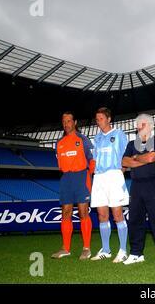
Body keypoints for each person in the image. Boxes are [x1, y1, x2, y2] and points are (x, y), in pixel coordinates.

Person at [121, 114, 155, 266]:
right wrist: (141, 158)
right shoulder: (131, 144)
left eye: (142, 124)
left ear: (150, 126)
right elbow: (124, 161)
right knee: (135, 220)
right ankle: (136, 253)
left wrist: (135, 159)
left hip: (153, 184)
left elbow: (151, 158)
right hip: (136, 184)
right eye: (137, 125)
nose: (138, 127)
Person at [52, 111, 94, 260]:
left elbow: (92, 159)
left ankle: (86, 248)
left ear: (75, 122)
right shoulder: (59, 143)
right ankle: (66, 248)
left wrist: (89, 176)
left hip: (81, 177)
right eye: (64, 121)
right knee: (66, 212)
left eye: (69, 121)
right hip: (66, 179)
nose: (66, 124)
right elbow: (60, 165)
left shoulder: (83, 139)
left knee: (83, 212)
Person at [90, 107, 129, 263]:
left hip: (114, 175)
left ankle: (123, 250)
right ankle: (106, 250)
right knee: (102, 215)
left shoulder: (119, 135)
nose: (98, 121)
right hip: (99, 178)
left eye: (100, 118)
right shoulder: (97, 138)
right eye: (97, 119)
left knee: (117, 214)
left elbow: (125, 157)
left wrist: (121, 173)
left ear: (108, 119)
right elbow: (94, 159)